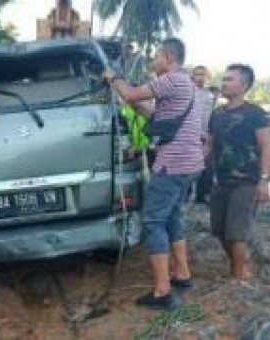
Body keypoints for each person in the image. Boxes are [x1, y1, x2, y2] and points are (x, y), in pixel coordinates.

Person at [103, 38, 204, 309]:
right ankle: (182, 274)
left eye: (157, 56)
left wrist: (114, 78)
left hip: (172, 164)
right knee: (172, 216)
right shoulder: (188, 85)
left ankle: (162, 291)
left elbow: (133, 94)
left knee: (153, 222)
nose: (153, 61)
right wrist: (130, 98)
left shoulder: (172, 80)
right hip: (189, 165)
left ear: (169, 57)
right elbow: (155, 117)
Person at [208, 64, 270, 280]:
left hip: (246, 181)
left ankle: (238, 277)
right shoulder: (216, 114)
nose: (223, 83)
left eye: (229, 79)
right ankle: (241, 266)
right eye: (223, 79)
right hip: (221, 180)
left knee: (236, 232)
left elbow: (266, 147)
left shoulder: (255, 114)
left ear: (244, 85)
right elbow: (208, 144)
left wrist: (264, 181)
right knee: (219, 230)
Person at [191, 65, 215, 203]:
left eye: (203, 75)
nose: (200, 77)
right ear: (193, 76)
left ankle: (203, 195)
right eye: (197, 74)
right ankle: (185, 194)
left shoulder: (211, 95)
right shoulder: (188, 92)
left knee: (207, 167)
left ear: (207, 77)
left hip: (206, 136)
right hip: (190, 134)